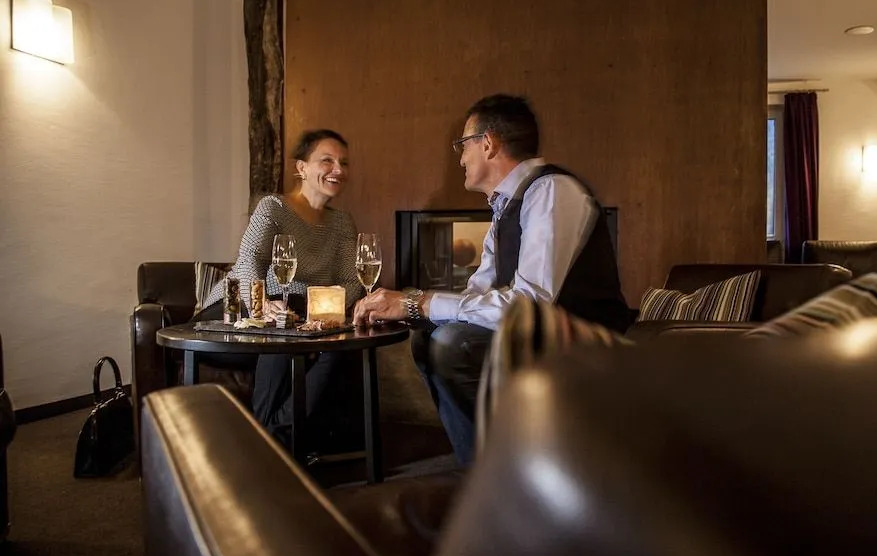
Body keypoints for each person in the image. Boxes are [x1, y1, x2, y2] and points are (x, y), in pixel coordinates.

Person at [353, 94, 628, 464]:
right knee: (428, 337)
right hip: (540, 334)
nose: (460, 158)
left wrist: (418, 302)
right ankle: (481, 469)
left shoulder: (550, 191)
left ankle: (505, 470)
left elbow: (529, 305)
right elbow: (477, 292)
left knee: (454, 344)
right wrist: (412, 311)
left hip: (587, 340)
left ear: (487, 143)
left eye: (463, 145)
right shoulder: (505, 207)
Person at [201, 129, 365, 450]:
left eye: (344, 163)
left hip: (299, 313)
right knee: (283, 330)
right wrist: (262, 303)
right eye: (327, 160)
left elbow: (352, 281)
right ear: (301, 167)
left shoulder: (342, 223)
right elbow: (249, 260)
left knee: (340, 345)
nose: (338, 169)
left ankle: (273, 440)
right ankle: (272, 443)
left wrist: (324, 314)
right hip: (235, 308)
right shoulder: (273, 207)